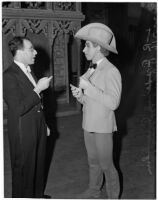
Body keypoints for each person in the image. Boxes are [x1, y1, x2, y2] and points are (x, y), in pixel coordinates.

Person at [70, 23, 122, 199]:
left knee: (107, 165)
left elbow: (113, 103)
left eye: (87, 45)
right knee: (93, 163)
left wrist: (89, 88)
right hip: (88, 125)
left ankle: (113, 196)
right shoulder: (91, 69)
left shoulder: (111, 71)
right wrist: (80, 96)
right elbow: (92, 100)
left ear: (98, 48)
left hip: (102, 127)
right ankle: (93, 191)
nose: (84, 50)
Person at [3, 36, 52, 198]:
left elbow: (37, 104)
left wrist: (44, 124)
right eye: (31, 49)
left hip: (36, 125)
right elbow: (18, 108)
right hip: (22, 130)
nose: (35, 52)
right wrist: (38, 89)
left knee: (38, 164)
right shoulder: (8, 75)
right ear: (19, 52)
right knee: (24, 170)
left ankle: (37, 195)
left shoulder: (29, 70)